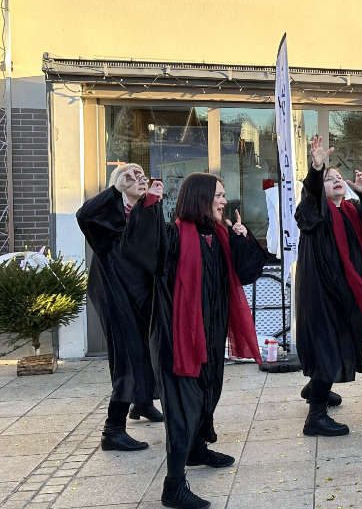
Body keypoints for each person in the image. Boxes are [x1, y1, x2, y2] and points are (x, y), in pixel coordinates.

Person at [141, 173, 267, 509]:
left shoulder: (220, 236)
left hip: (209, 336)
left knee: (208, 393)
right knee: (184, 408)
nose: (224, 201)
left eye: (224, 195)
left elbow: (248, 272)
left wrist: (241, 238)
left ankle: (197, 450)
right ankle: (173, 486)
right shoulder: (172, 236)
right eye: (219, 195)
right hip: (176, 340)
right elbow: (142, 248)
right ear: (201, 198)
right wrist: (149, 205)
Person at [294, 135, 362, 437]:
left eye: (337, 177)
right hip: (321, 292)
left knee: (339, 341)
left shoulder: (349, 210)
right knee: (327, 346)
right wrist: (316, 168)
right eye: (328, 178)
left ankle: (315, 388)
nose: (335, 180)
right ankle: (315, 417)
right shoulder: (313, 211)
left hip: (345, 290)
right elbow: (310, 197)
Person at [76, 164, 165, 453]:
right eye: (132, 176)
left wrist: (153, 204)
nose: (140, 179)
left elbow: (154, 247)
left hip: (140, 294)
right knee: (128, 354)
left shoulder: (141, 212)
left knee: (145, 347)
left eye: (142, 175)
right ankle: (112, 430)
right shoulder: (108, 216)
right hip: (115, 296)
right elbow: (84, 215)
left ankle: (142, 403)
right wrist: (115, 190)